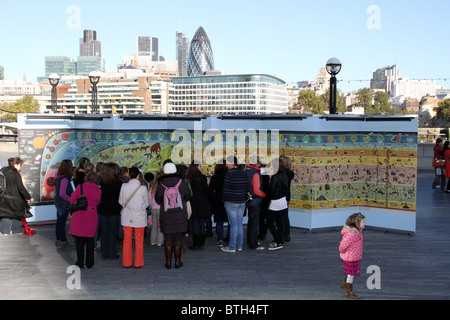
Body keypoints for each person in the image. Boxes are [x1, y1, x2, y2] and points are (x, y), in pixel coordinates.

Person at [155, 162, 191, 269]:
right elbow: (188, 195)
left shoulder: (161, 184)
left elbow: (157, 199)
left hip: (166, 215)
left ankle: (168, 262)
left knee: (168, 239)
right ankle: (178, 261)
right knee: (178, 239)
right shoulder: (182, 182)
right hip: (180, 214)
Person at [69, 171, 102, 269]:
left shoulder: (80, 187)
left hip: (80, 214)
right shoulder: (98, 190)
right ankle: (90, 261)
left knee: (79, 241)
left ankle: (80, 261)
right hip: (92, 215)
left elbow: (71, 200)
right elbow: (97, 202)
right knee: (90, 239)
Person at [119, 167, 150, 268]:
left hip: (127, 216)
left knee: (127, 240)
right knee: (139, 240)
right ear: (137, 175)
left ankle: (126, 262)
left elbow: (120, 201)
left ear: (129, 175)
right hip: (139, 216)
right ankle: (138, 262)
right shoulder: (143, 188)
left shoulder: (124, 186)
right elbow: (147, 204)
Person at [221, 156, 249, 253]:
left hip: (231, 202)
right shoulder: (244, 173)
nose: (226, 165)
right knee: (239, 224)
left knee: (233, 225)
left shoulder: (229, 174)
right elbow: (247, 188)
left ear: (232, 163)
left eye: (227, 163)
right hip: (241, 202)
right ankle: (239, 245)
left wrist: (224, 200)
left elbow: (226, 189)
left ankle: (232, 247)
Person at [97, 163, 123, 260]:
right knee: (113, 232)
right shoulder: (119, 183)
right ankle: (112, 254)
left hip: (102, 210)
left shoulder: (100, 182)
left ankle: (104, 254)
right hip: (114, 210)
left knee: (103, 232)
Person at [0, 157, 31, 235]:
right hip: (16, 197)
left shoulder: (3, 172)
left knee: (5, 213)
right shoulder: (16, 173)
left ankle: (5, 231)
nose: (20, 167)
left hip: (4, 197)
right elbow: (20, 187)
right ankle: (17, 230)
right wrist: (27, 197)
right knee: (17, 213)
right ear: (16, 164)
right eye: (20, 165)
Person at [339, 212, 365, 299]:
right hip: (350, 257)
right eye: (363, 222)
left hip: (353, 256)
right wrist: (343, 252)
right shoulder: (352, 234)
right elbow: (343, 246)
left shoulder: (357, 231)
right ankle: (349, 292)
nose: (364, 224)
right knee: (351, 273)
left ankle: (345, 283)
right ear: (357, 223)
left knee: (351, 271)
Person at [186, 162, 212, 250]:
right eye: (200, 166)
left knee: (195, 223)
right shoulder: (202, 177)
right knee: (202, 223)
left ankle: (196, 244)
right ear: (197, 166)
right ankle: (201, 244)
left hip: (193, 202)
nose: (201, 168)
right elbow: (207, 190)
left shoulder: (189, 178)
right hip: (203, 202)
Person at [266, 157, 289, 251]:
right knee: (280, 222)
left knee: (270, 223)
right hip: (283, 201)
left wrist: (270, 179)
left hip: (275, 202)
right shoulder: (285, 175)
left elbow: (271, 191)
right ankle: (280, 239)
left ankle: (278, 241)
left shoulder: (275, 177)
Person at [245, 157, 266, 250]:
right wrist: (264, 195)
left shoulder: (246, 171)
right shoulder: (255, 173)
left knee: (250, 222)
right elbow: (257, 190)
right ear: (257, 164)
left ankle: (250, 241)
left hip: (248, 200)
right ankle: (253, 243)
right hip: (255, 201)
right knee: (254, 223)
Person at [54, 159, 75, 249]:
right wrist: (71, 200)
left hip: (58, 202)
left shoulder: (58, 176)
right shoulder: (65, 179)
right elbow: (62, 193)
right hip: (64, 203)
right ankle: (63, 241)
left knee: (59, 222)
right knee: (62, 223)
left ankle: (59, 240)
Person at [208, 161, 228, 246]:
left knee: (219, 221)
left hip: (218, 199)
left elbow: (211, 190)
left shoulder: (215, 176)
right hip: (228, 198)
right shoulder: (228, 174)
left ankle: (220, 239)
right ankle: (229, 237)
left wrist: (212, 201)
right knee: (230, 220)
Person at [149, 171, 164, 246]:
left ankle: (153, 240)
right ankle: (159, 241)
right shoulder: (164, 187)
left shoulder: (153, 187)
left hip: (154, 208)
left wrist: (152, 205)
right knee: (160, 225)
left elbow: (149, 199)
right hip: (161, 208)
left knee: (154, 225)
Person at [282, 156, 294, 242]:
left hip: (282, 196)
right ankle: (287, 233)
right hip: (287, 196)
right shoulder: (290, 173)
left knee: (282, 216)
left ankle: (283, 233)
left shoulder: (283, 174)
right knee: (285, 216)